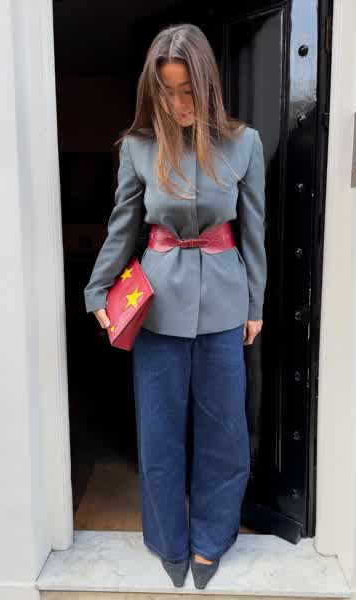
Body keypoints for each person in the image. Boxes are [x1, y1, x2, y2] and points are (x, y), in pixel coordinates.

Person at [84, 22, 267, 589]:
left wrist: (256, 303)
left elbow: (254, 231)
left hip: (225, 304)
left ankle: (212, 537)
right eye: (167, 91)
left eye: (188, 89)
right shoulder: (138, 148)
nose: (179, 103)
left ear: (207, 84)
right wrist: (97, 290)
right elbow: (123, 226)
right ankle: (167, 539)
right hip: (158, 305)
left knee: (225, 432)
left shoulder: (245, 144)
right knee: (160, 432)